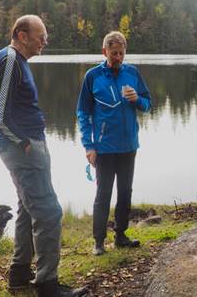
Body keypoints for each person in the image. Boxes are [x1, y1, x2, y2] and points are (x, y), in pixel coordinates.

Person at [0, 15, 87, 297]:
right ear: (22, 35)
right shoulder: (9, 60)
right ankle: (47, 285)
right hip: (23, 150)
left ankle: (19, 275)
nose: (45, 41)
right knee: (49, 211)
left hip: (25, 147)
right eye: (40, 35)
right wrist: (23, 142)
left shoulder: (14, 61)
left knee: (26, 209)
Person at [77, 31, 152, 256]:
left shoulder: (133, 73)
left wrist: (137, 99)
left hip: (129, 146)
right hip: (104, 148)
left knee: (125, 192)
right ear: (105, 52)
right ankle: (99, 241)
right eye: (114, 53)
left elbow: (148, 104)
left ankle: (121, 236)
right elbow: (83, 112)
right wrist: (88, 146)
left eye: (121, 53)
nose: (118, 57)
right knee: (103, 194)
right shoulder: (93, 76)